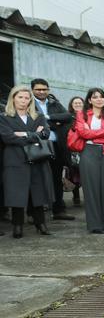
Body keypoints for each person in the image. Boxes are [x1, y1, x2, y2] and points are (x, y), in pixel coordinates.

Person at [0, 85, 55, 238]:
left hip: (37, 159)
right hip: (15, 160)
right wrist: (32, 135)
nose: (24, 100)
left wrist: (22, 134)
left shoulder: (38, 116)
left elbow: (44, 134)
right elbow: (7, 137)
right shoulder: (4, 117)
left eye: (26, 97)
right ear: (13, 98)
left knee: (38, 193)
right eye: (20, 97)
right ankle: (17, 226)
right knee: (17, 194)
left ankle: (41, 224)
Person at [73, 88, 104, 234]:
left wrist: (93, 135)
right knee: (91, 189)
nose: (99, 99)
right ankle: (95, 224)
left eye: (101, 97)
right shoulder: (82, 114)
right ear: (89, 100)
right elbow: (82, 132)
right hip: (88, 152)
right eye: (95, 97)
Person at [30, 78, 75, 221]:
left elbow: (67, 116)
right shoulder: (29, 103)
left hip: (56, 147)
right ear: (33, 90)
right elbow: (32, 121)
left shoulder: (53, 102)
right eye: (38, 89)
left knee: (56, 178)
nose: (42, 92)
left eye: (44, 89)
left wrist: (47, 117)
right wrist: (55, 122)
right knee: (37, 179)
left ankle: (58, 210)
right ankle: (33, 213)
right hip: (38, 146)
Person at [65, 96, 84, 206]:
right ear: (71, 105)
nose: (77, 105)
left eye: (79, 103)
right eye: (75, 103)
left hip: (85, 148)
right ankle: (76, 195)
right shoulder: (68, 117)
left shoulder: (87, 116)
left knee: (85, 174)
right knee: (73, 174)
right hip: (73, 149)